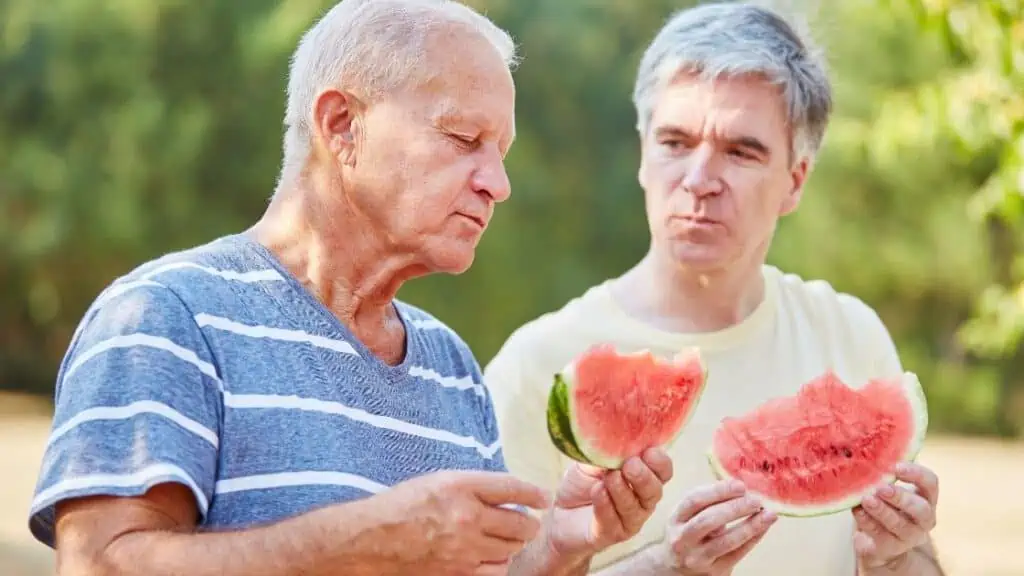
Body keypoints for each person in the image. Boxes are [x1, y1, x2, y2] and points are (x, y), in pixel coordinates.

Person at [26, 1, 674, 574]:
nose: (497, 184)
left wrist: (560, 547)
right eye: (464, 138)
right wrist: (363, 541)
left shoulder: (451, 368)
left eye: (500, 150)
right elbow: (101, 565)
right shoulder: (166, 318)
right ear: (341, 125)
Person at [483, 3, 945, 575]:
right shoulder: (536, 368)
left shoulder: (851, 336)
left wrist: (896, 560)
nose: (699, 180)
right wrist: (665, 567)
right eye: (675, 142)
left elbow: (917, 563)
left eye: (741, 151)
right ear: (643, 158)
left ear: (795, 181)